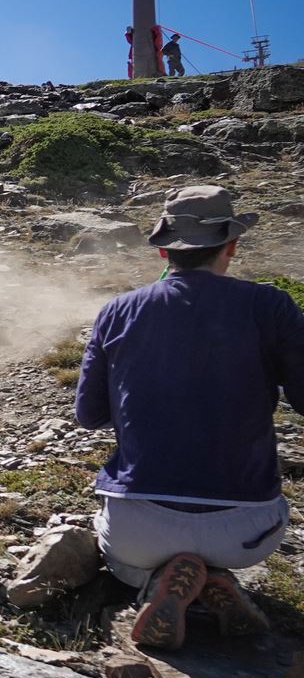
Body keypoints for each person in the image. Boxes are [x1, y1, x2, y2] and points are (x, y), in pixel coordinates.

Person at [75, 185, 304, 649]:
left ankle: (167, 580)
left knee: (118, 554)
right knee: (237, 533)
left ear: (164, 249)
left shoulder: (117, 311)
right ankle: (216, 576)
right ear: (232, 246)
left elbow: (88, 414)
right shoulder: (271, 305)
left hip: (140, 525)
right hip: (245, 529)